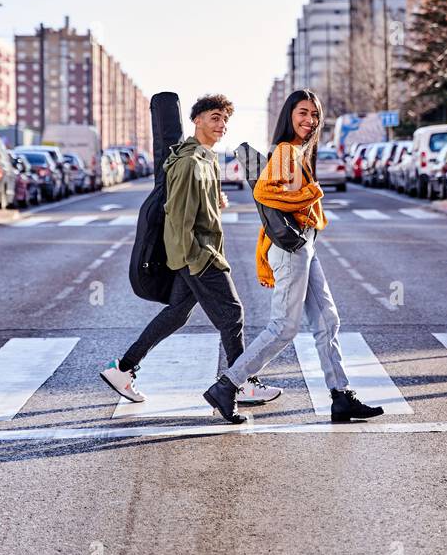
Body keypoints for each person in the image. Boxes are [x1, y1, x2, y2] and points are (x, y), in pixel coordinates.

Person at [203, 89, 384, 425]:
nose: (309, 120)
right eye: (302, 113)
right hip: (291, 248)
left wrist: (304, 198)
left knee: (327, 320)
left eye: (314, 115)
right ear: (289, 115)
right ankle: (227, 386)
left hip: (304, 244)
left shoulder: (298, 150)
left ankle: (341, 396)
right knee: (284, 327)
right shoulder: (287, 150)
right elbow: (264, 192)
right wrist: (311, 192)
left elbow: (282, 195)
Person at [100, 94, 281, 406]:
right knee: (232, 315)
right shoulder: (189, 162)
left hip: (198, 252)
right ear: (197, 120)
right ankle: (243, 383)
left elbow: (196, 207)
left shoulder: (206, 158)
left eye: (225, 119)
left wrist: (215, 203)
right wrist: (195, 259)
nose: (221, 125)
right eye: (214, 117)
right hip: (199, 254)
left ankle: (124, 369)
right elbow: (179, 217)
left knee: (176, 314)